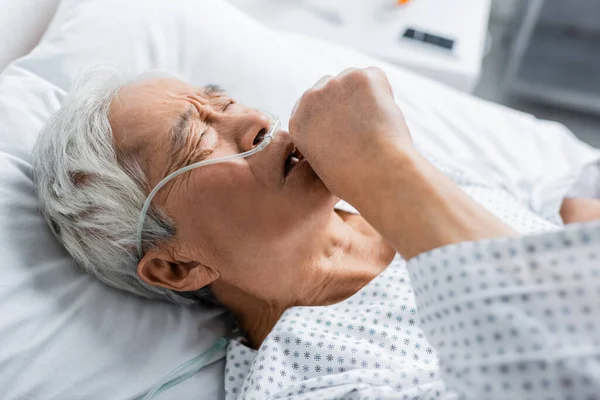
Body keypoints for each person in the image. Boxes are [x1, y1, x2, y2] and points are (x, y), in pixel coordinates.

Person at [33, 67, 600, 399]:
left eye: (223, 101)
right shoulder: (309, 382)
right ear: (178, 265)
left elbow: (560, 211)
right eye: (198, 139)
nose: (254, 122)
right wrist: (385, 166)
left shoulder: (388, 186)